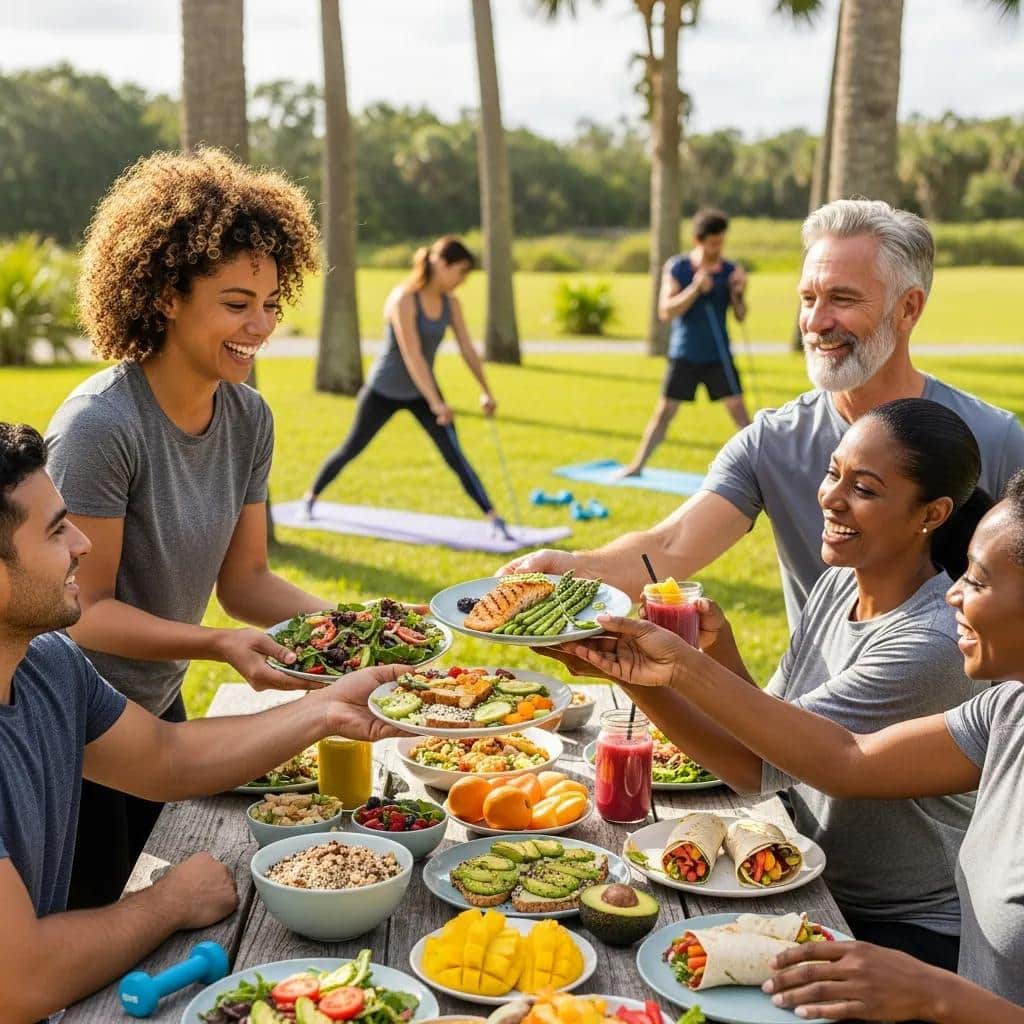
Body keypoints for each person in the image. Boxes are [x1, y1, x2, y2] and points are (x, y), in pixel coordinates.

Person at [555, 469, 1024, 1020]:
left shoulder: (929, 645)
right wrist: (656, 668)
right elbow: (844, 759)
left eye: (979, 581)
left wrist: (936, 995)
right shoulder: (1007, 712)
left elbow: (759, 765)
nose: (954, 592)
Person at [0, 423, 407, 1024]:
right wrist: (167, 903)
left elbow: (165, 757)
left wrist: (326, 709)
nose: (83, 544)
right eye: (57, 530)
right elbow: (19, 979)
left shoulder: (46, 661)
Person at [501, 200, 1024, 629]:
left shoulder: (996, 439)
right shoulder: (771, 442)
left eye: (842, 298)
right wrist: (573, 568)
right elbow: (671, 545)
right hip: (811, 724)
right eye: (808, 298)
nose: (816, 322)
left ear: (908, 308)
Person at [44, 148, 334, 909]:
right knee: (84, 927)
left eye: (272, 304)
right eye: (237, 303)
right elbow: (82, 614)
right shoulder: (103, 427)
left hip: (158, 709)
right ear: (167, 294)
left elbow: (245, 583)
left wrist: (359, 627)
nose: (261, 326)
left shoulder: (248, 416)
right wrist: (214, 645)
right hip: (75, 726)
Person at [304, 236, 510, 537]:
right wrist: (436, 402)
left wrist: (486, 390)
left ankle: (493, 518)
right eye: (461, 272)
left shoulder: (451, 304)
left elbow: (467, 349)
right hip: (384, 390)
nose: (462, 280)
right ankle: (311, 498)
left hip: (422, 390)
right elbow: (412, 355)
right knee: (352, 448)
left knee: (454, 454)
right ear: (442, 264)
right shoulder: (403, 299)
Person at [617, 207, 750, 478]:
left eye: (721, 241)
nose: (718, 248)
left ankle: (764, 468)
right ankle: (637, 466)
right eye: (713, 242)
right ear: (698, 240)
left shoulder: (730, 270)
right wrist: (694, 289)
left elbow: (740, 316)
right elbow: (665, 311)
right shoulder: (677, 267)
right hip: (685, 354)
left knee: (740, 414)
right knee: (664, 412)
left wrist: (738, 292)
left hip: (718, 355)